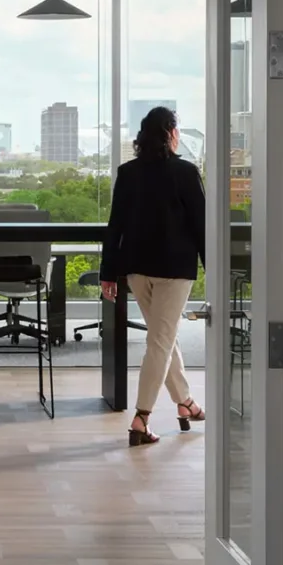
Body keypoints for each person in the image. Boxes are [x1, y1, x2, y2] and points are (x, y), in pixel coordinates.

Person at [99, 106, 208, 447]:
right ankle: (141, 418)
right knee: (160, 341)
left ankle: (185, 403)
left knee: (164, 338)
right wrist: (214, 271)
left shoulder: (128, 173)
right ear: (171, 133)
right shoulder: (186, 172)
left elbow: (114, 226)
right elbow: (202, 227)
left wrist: (109, 273)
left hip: (137, 270)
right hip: (174, 271)